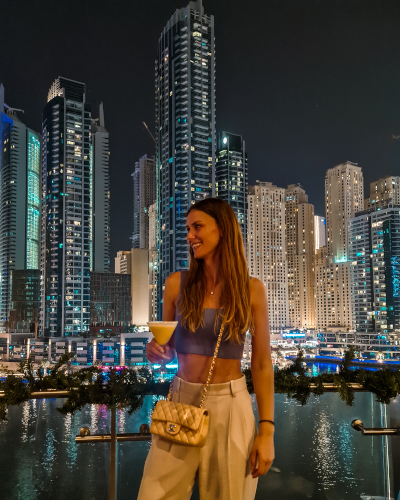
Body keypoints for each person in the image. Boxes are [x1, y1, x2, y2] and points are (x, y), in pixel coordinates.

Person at [138, 198, 274, 500]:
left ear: (222, 230)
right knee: (153, 493)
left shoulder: (251, 290)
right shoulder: (176, 284)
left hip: (231, 406)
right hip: (180, 402)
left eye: (197, 227)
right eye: (188, 228)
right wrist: (156, 350)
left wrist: (267, 431)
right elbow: (170, 349)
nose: (189, 235)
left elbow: (262, 364)